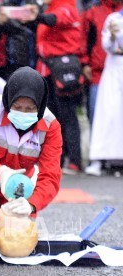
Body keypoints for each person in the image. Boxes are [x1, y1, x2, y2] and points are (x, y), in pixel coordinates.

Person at [0, 67, 62, 218]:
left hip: (17, 189)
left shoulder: (50, 126)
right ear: (8, 101)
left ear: (40, 106)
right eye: (17, 107)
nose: (23, 113)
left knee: (18, 236)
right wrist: (0, 170)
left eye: (30, 108)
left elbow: (50, 175)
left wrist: (32, 204)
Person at [35, 0, 84, 175]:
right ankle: (57, 159)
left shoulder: (66, 6)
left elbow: (53, 19)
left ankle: (75, 161)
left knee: (68, 116)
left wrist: (34, 15)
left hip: (63, 68)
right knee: (51, 118)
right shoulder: (49, 7)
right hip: (48, 70)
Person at [81, 0, 123, 176]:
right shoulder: (113, 17)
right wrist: (113, 37)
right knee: (106, 114)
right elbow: (105, 43)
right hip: (112, 69)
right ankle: (98, 158)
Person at [0, 0, 45, 79]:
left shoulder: (33, 4)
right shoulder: (3, 6)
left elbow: (45, 27)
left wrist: (35, 16)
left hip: (36, 57)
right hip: (13, 60)